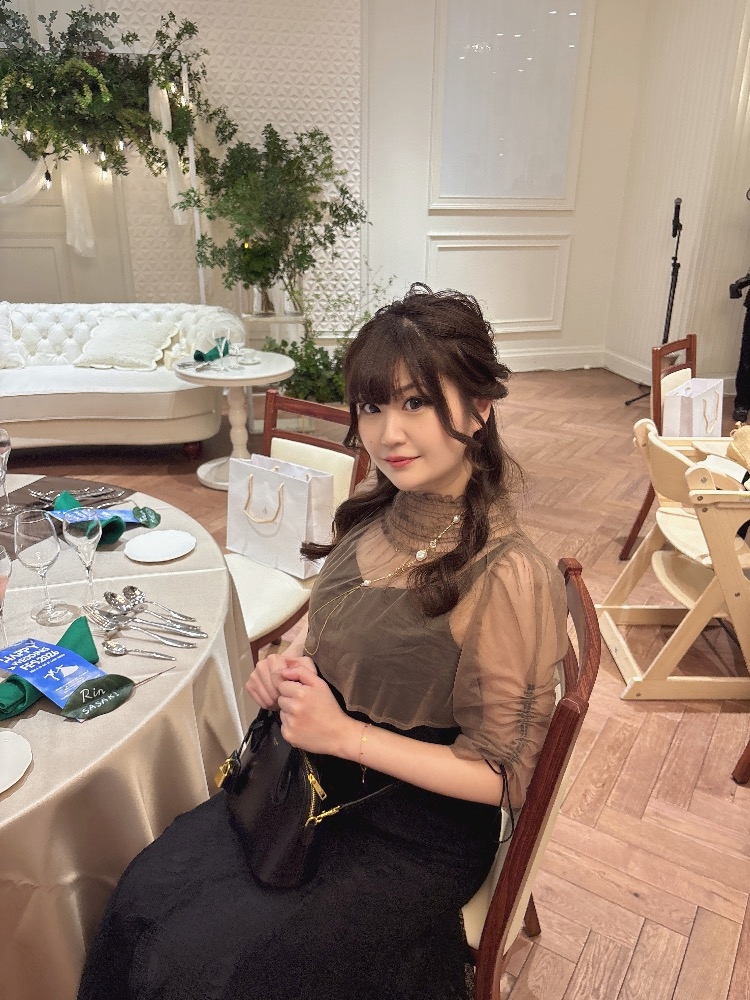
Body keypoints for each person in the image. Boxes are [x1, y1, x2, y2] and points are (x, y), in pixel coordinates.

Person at [78, 284, 569, 1000]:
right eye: (372, 407)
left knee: (193, 963)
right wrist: (289, 662)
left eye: (416, 403)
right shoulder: (380, 511)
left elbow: (503, 775)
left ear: (479, 407)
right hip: (304, 780)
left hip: (409, 830)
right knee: (141, 896)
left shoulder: (506, 574)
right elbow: (334, 623)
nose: (388, 434)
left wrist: (345, 735)